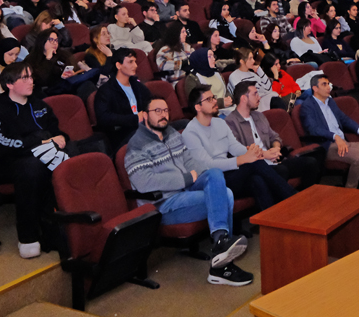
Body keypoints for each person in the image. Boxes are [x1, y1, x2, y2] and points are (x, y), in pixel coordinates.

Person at [125, 97, 254, 287]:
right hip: (165, 204)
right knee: (225, 196)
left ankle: (220, 242)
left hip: (187, 192)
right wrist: (185, 178)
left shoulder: (172, 134)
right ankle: (222, 266)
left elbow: (190, 162)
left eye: (166, 110)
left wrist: (199, 176)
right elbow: (145, 183)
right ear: (144, 115)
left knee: (215, 174)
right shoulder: (136, 146)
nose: (163, 115)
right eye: (157, 111)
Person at [0, 62, 81, 258]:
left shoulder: (39, 104)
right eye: (25, 78)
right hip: (10, 161)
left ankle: (65, 227)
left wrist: (60, 137)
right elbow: (0, 143)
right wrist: (38, 141)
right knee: (32, 168)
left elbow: (54, 129)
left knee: (74, 153)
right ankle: (28, 236)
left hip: (44, 155)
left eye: (31, 77)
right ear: (10, 84)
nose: (31, 81)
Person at [183, 86, 297, 212]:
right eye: (209, 99)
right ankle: (293, 198)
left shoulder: (219, 123)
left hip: (230, 172)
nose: (215, 101)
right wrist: (242, 160)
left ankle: (273, 217)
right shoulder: (190, 133)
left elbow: (234, 146)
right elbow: (208, 165)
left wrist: (253, 153)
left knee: (257, 180)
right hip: (213, 180)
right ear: (198, 107)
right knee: (254, 164)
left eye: (214, 97)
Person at [226, 82, 321, 189]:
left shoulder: (259, 116)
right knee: (282, 171)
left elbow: (274, 137)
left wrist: (276, 148)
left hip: (273, 161)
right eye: (255, 94)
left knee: (311, 163)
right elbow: (239, 150)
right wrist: (265, 154)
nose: (259, 97)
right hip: (256, 167)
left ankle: (306, 196)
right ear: (244, 98)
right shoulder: (231, 122)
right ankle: (291, 198)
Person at [300, 75, 359, 190]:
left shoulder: (330, 101)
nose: (329, 87)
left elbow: (344, 119)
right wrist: (335, 136)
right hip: (326, 145)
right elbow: (313, 129)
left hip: (343, 142)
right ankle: (350, 189)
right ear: (315, 88)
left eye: (328, 84)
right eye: (324, 84)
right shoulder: (307, 106)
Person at [93, 48, 153, 150]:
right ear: (118, 65)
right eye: (130, 62)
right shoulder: (106, 90)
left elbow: (151, 102)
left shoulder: (137, 85)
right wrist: (135, 119)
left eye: (135, 62)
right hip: (123, 134)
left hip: (143, 128)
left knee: (177, 125)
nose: (135, 65)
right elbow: (103, 117)